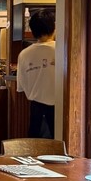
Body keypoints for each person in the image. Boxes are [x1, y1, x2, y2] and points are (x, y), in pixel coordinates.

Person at [17, 9, 56, 138]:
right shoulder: (62, 50)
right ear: (54, 27)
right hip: (60, 109)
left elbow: (21, 87)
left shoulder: (24, 54)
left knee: (35, 148)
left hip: (36, 110)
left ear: (33, 30)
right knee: (60, 147)